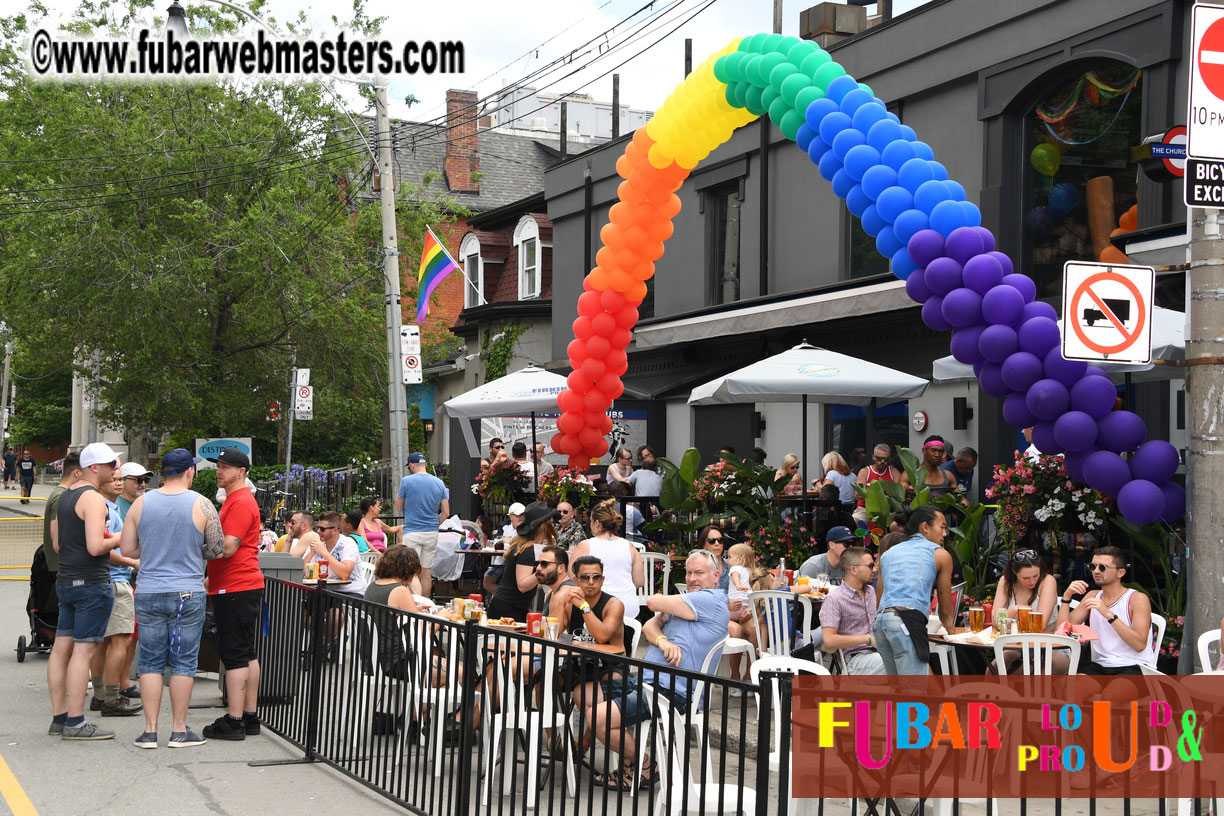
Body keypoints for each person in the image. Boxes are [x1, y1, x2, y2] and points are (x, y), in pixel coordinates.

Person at [585, 549, 729, 790]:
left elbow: (652, 603)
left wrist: (662, 607)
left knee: (596, 717)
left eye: (699, 573)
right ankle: (629, 764)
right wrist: (663, 641)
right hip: (647, 682)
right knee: (585, 694)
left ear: (716, 575)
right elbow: (650, 625)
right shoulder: (689, 604)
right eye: (689, 572)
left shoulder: (710, 599)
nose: (692, 578)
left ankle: (644, 765)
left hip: (671, 691)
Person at [120, 447, 223, 748]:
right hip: (187, 593)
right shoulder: (203, 505)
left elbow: (127, 550)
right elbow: (216, 550)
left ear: (163, 472)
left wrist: (152, 549)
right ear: (189, 471)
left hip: (149, 589)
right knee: (183, 662)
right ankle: (179, 730)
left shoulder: (141, 503)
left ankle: (149, 731)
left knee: (150, 661)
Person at [47, 442, 123, 740]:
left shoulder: (65, 496)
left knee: (61, 650)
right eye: (110, 465)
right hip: (90, 583)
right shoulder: (93, 499)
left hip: (66, 580)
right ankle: (77, 722)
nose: (115, 470)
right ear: (95, 468)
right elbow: (95, 547)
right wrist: (118, 537)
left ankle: (60, 718)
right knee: (83, 652)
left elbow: (57, 544)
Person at [202, 447, 265, 742]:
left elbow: (228, 547)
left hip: (236, 585)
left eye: (225, 467)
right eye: (218, 465)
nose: (219, 470)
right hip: (240, 585)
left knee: (236, 654)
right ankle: (249, 717)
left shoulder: (239, 502)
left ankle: (235, 720)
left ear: (240, 472)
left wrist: (198, 544)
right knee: (247, 653)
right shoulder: (237, 500)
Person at [874, 505, 958, 675]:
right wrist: (952, 631)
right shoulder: (940, 554)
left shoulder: (889, 553)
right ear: (925, 527)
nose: (944, 534)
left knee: (897, 689)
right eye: (941, 527)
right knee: (914, 693)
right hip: (906, 621)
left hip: (881, 623)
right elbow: (946, 609)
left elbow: (879, 599)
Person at [88, 469, 142, 717]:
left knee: (104, 642)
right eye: (115, 479)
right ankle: (111, 698)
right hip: (115, 581)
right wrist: (132, 563)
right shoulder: (106, 509)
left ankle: (100, 696)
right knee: (121, 640)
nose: (119, 483)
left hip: (104, 580)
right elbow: (101, 548)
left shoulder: (109, 507)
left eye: (121, 479)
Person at [1057, 546, 1154, 674]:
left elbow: (1139, 645)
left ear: (1121, 573)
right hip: (1100, 665)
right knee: (1072, 689)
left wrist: (1108, 614)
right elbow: (1063, 630)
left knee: (1110, 694)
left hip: (1134, 665)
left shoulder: (1137, 599)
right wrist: (1066, 597)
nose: (1096, 571)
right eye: (1093, 567)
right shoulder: (1092, 596)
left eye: (1102, 567)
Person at [571, 499, 644, 620]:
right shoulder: (629, 546)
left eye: (591, 521)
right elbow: (639, 582)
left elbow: (573, 577)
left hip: (597, 608)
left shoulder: (585, 545)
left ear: (597, 523)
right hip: (629, 610)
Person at [487, 501, 558, 622]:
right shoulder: (527, 550)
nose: (554, 526)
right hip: (508, 609)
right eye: (551, 523)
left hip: (510, 607)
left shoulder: (527, 546)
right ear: (543, 526)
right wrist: (544, 569)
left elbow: (532, 584)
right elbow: (523, 585)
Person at [819, 545, 885, 675]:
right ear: (854, 570)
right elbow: (829, 640)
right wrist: (868, 639)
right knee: (895, 662)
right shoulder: (834, 599)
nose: (875, 569)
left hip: (877, 654)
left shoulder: (870, 591)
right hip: (855, 660)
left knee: (913, 656)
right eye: (870, 566)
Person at [394, 452, 448, 597]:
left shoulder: (407, 481)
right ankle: (426, 605)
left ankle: (413, 604)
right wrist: (435, 524)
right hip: (431, 532)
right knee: (426, 571)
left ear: (412, 465)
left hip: (412, 531)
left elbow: (398, 507)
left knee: (411, 571)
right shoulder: (439, 482)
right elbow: (446, 512)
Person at [554, 555, 626, 653]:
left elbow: (602, 637)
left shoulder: (614, 605)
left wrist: (584, 606)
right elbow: (553, 636)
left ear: (602, 580)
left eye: (596, 577)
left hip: (610, 664)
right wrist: (561, 603)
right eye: (585, 577)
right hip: (576, 663)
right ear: (576, 580)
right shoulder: (569, 605)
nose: (591, 582)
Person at [725, 543, 769, 682]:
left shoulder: (746, 572)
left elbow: (760, 594)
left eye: (729, 557)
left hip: (742, 610)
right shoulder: (709, 566)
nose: (727, 559)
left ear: (740, 559)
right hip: (725, 612)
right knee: (736, 631)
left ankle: (750, 675)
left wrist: (751, 609)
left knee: (757, 627)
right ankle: (735, 676)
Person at [303, 511, 368, 596]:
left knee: (334, 608)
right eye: (317, 528)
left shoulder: (348, 544)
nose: (318, 531)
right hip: (326, 591)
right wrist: (312, 552)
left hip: (350, 591)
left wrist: (324, 552)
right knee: (302, 602)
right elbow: (302, 572)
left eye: (322, 529)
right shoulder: (317, 544)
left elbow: (344, 574)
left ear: (335, 530)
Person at [993, 549, 1057, 633]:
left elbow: (1040, 625)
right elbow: (995, 621)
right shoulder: (1006, 581)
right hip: (1010, 640)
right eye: (1026, 578)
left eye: (1035, 576)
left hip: (1042, 641)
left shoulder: (1047, 581)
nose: (1032, 581)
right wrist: (1015, 610)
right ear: (1014, 572)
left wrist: (1007, 623)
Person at [534, 544, 575, 615]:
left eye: (544, 564)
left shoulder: (563, 594)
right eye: (537, 564)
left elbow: (556, 626)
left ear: (561, 568)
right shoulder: (551, 592)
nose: (538, 568)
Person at [697, 524, 730, 591]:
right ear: (704, 545)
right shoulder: (698, 568)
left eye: (720, 540)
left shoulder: (731, 566)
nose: (717, 543)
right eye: (711, 541)